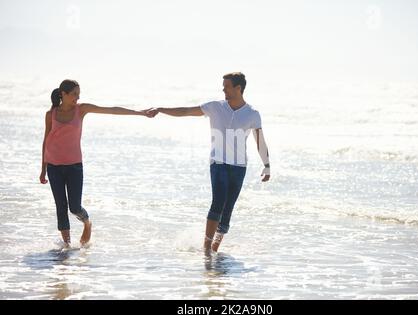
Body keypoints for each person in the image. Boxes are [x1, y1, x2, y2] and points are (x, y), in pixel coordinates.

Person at [145, 72, 271, 253]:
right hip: (218, 163)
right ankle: (206, 248)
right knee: (217, 203)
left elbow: (260, 141)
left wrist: (267, 165)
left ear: (238, 88)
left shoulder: (252, 114)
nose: (223, 89)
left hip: (239, 167)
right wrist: (161, 109)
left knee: (227, 211)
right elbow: (186, 111)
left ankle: (215, 247)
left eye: (227, 86)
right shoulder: (215, 107)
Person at [40, 79, 148, 247]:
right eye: (74, 94)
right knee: (61, 207)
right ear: (63, 94)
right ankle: (67, 247)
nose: (78, 97)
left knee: (74, 207)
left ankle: (87, 223)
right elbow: (46, 141)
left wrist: (139, 112)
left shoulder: (81, 110)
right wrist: (43, 169)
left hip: (74, 166)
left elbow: (111, 110)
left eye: (78, 93)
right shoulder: (51, 114)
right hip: (53, 166)